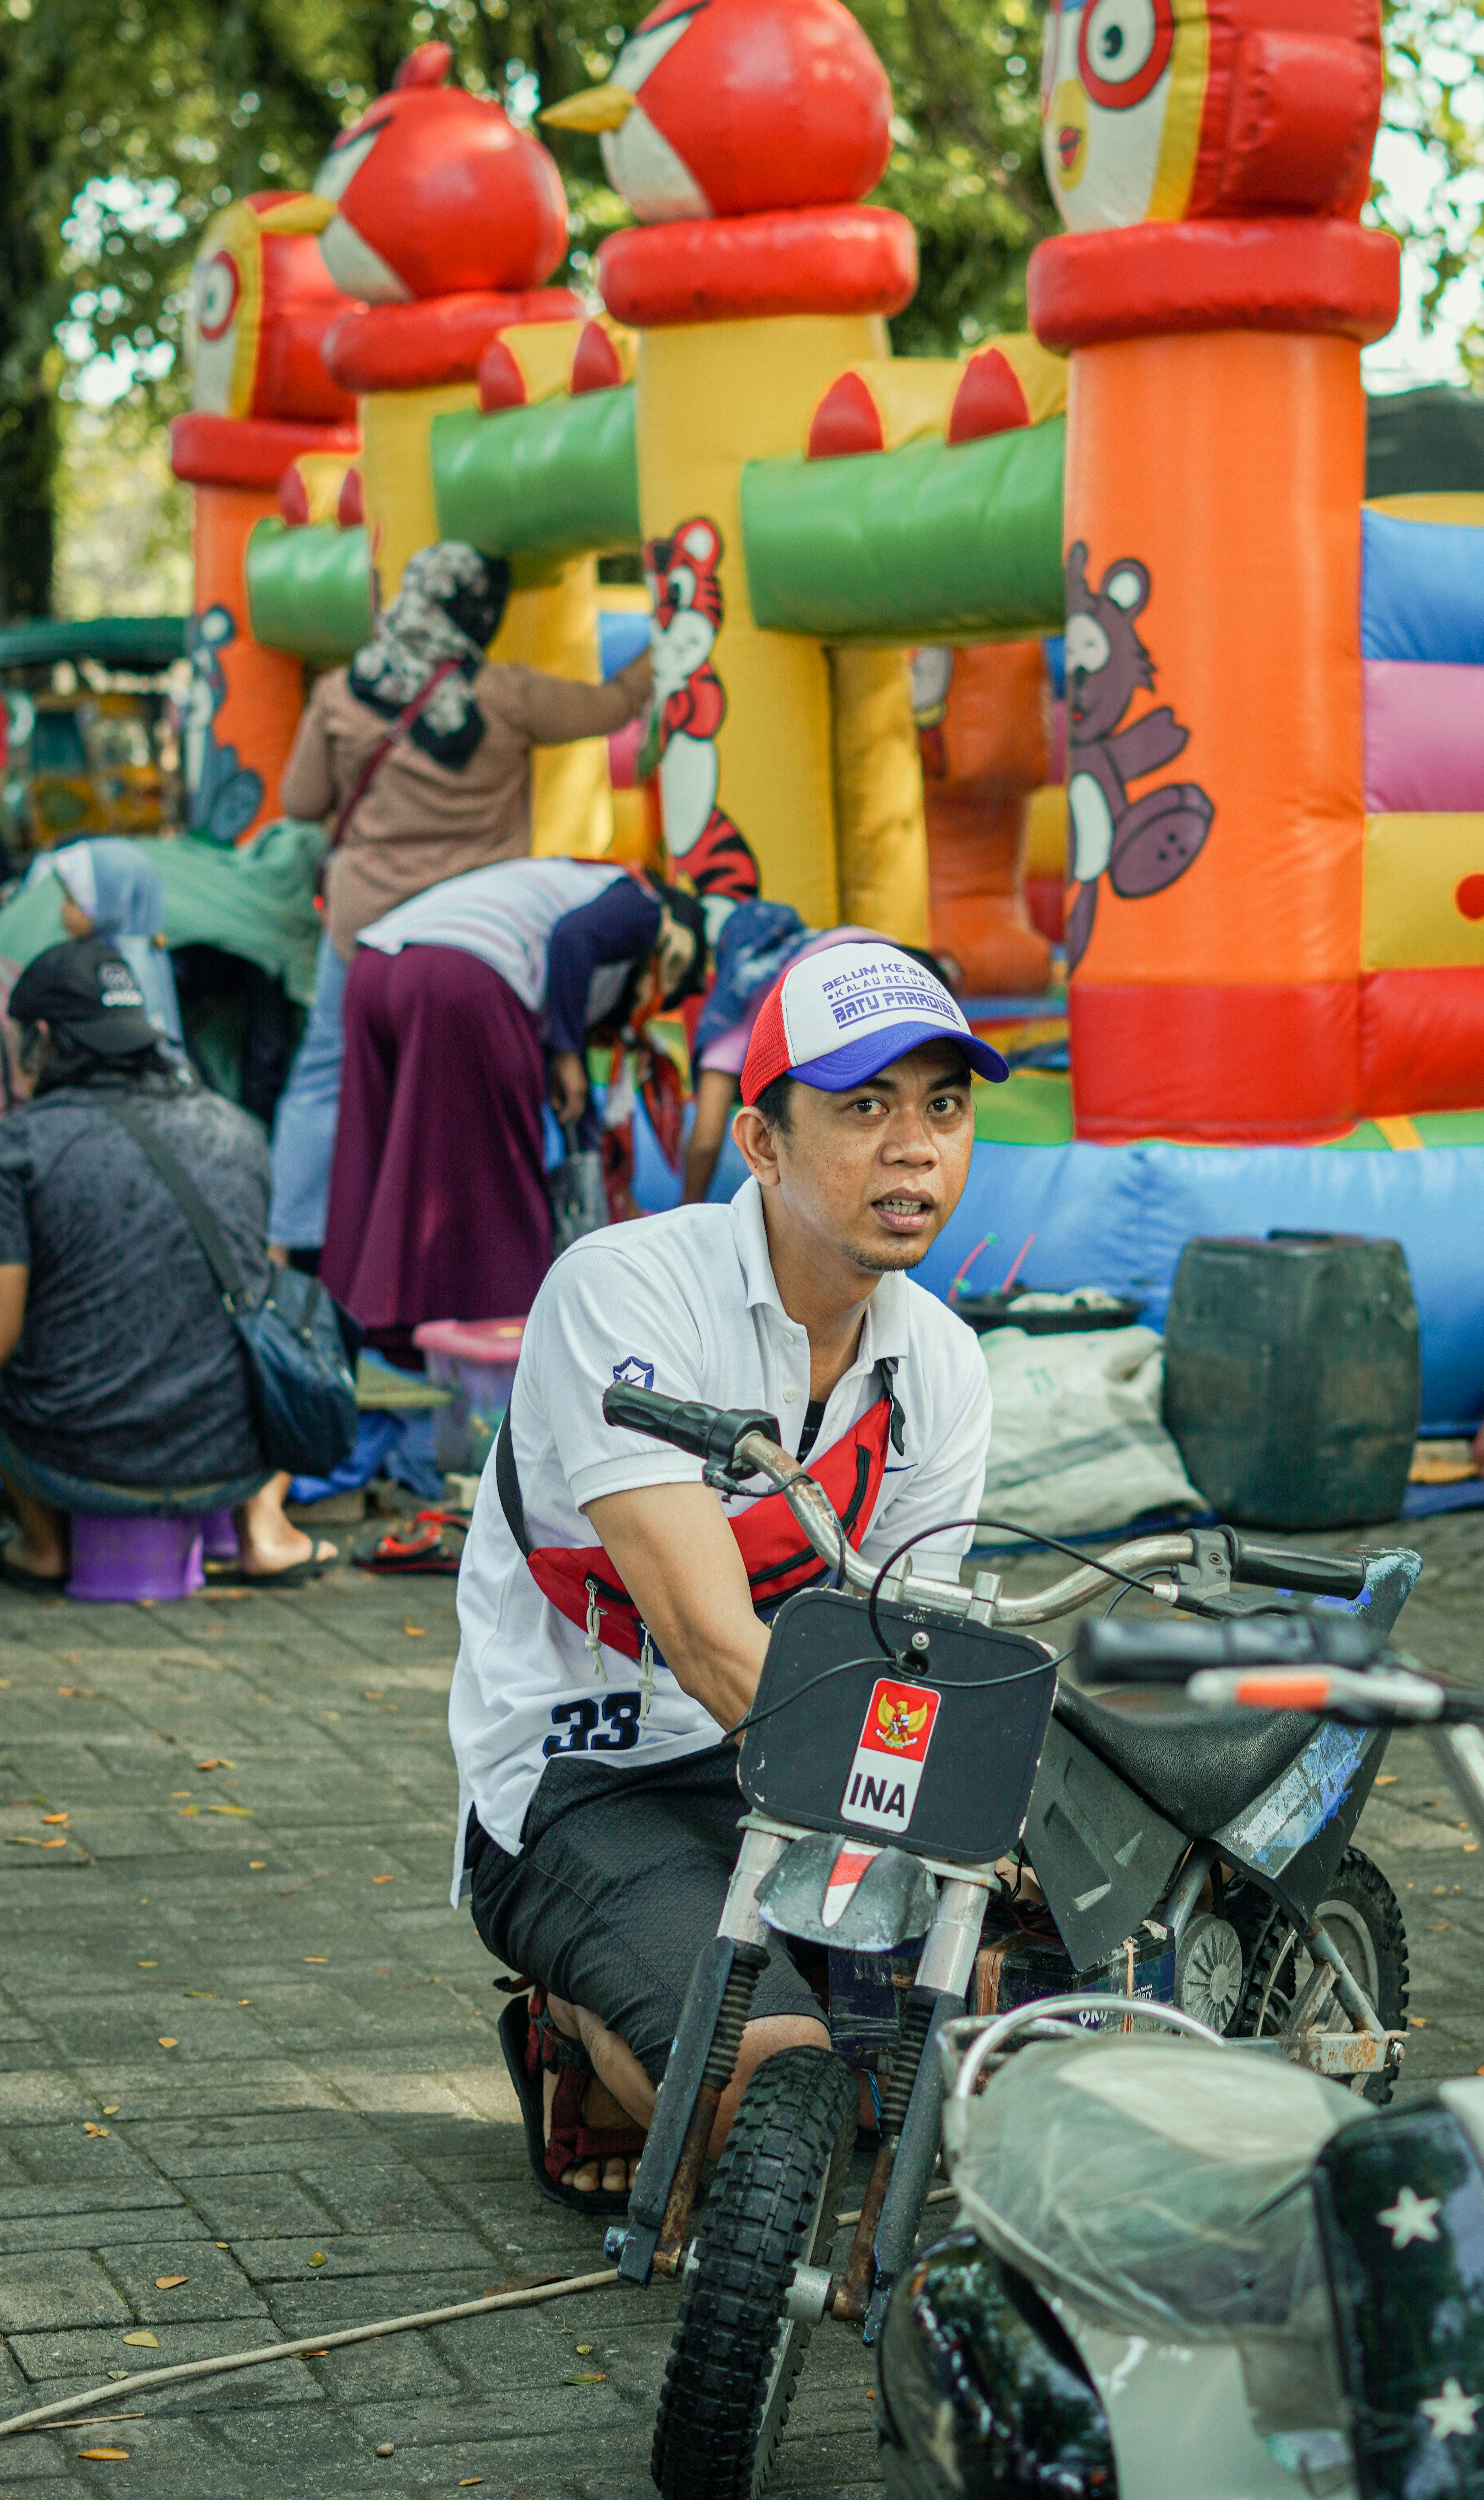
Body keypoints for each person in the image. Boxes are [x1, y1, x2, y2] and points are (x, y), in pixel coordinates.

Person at [449, 940, 1010, 2203]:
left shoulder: (946, 1366)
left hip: (793, 1779)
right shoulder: (624, 1293)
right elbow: (707, 1639)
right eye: (863, 1106)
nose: (915, 1146)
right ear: (759, 1141)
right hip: (586, 1778)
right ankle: (570, 2030)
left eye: (944, 1104)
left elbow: (900, 1649)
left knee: (995, 2040)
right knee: (782, 2093)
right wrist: (920, 1821)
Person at [268, 542, 654, 1259]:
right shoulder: (506, 695)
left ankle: (293, 1249)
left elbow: (300, 799)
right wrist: (667, 641)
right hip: (469, 940)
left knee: (324, 1078)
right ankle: (466, 1250)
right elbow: (611, 709)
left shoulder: (341, 693)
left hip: (361, 932)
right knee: (471, 1095)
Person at [0, 937, 333, 1587]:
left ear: (41, 1036)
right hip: (234, 1458)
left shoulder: (19, 1147)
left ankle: (42, 1545)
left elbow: (3, 1335)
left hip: (76, 1465)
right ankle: (263, 1527)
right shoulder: (236, 1129)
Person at [321, 859, 704, 1351]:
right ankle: (514, 1349)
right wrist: (568, 1054)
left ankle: (354, 1328)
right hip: (464, 972)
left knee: (373, 1152)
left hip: (375, 967)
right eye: (672, 970)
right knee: (500, 1180)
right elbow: (574, 940)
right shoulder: (642, 903)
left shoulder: (569, 894)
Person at [681, 904, 952, 1203]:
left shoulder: (736, 1000)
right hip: (902, 965)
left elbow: (706, 1139)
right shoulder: (824, 942)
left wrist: (687, 1206)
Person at [27, 838, 190, 1073]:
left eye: (72, 900)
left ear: (112, 900)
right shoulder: (136, 953)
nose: (63, 910)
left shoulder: (122, 966)